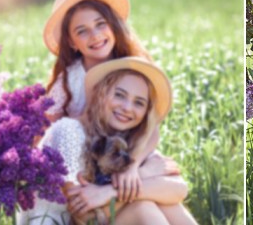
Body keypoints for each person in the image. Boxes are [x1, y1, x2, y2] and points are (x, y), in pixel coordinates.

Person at [18, 57, 197, 224]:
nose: (127, 108)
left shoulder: (126, 136)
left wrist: (110, 191)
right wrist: (145, 176)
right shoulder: (69, 131)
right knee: (143, 207)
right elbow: (84, 215)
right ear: (101, 93)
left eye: (139, 103)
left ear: (145, 114)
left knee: (166, 204)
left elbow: (179, 189)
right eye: (119, 95)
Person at [42, 0, 158, 205]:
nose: (95, 36)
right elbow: (47, 134)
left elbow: (152, 128)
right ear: (72, 41)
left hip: (129, 153)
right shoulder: (68, 80)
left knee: (161, 179)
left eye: (100, 24)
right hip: (83, 166)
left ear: (113, 25)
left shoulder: (133, 68)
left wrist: (132, 167)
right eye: (82, 31)